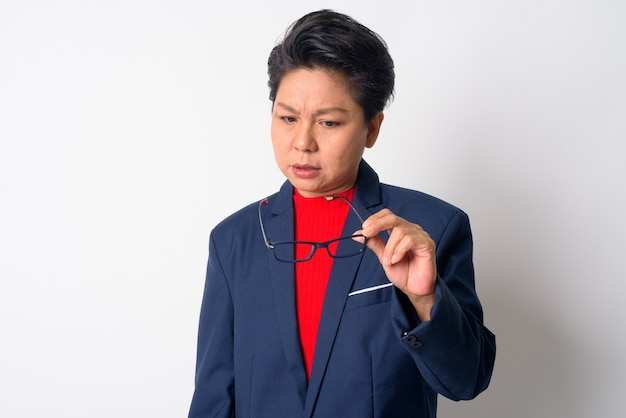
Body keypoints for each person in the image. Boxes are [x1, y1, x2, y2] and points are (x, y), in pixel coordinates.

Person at [189, 9, 495, 418]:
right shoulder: (234, 240)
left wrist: (424, 298)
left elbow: (466, 380)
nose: (302, 142)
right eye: (287, 118)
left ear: (372, 128)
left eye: (329, 122)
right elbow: (213, 397)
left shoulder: (432, 228)